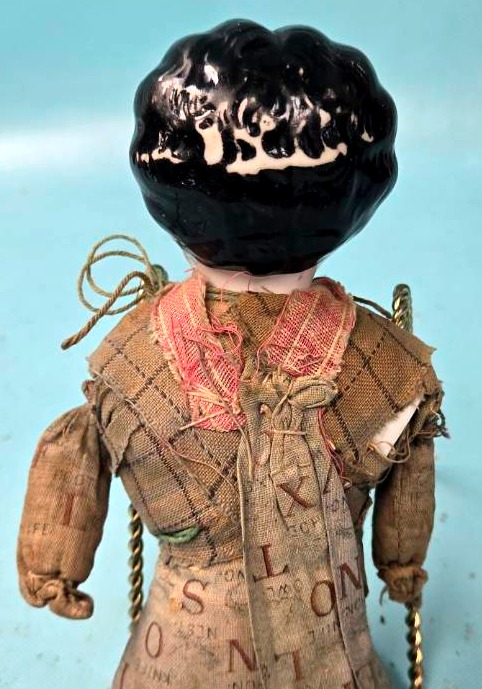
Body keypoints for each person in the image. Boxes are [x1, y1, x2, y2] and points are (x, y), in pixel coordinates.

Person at [17, 19, 446, 689]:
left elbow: (76, 458)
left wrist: (53, 569)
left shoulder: (131, 360)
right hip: (333, 659)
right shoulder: (388, 371)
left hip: (172, 657)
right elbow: (406, 506)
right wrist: (400, 568)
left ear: (167, 196)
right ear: (354, 201)